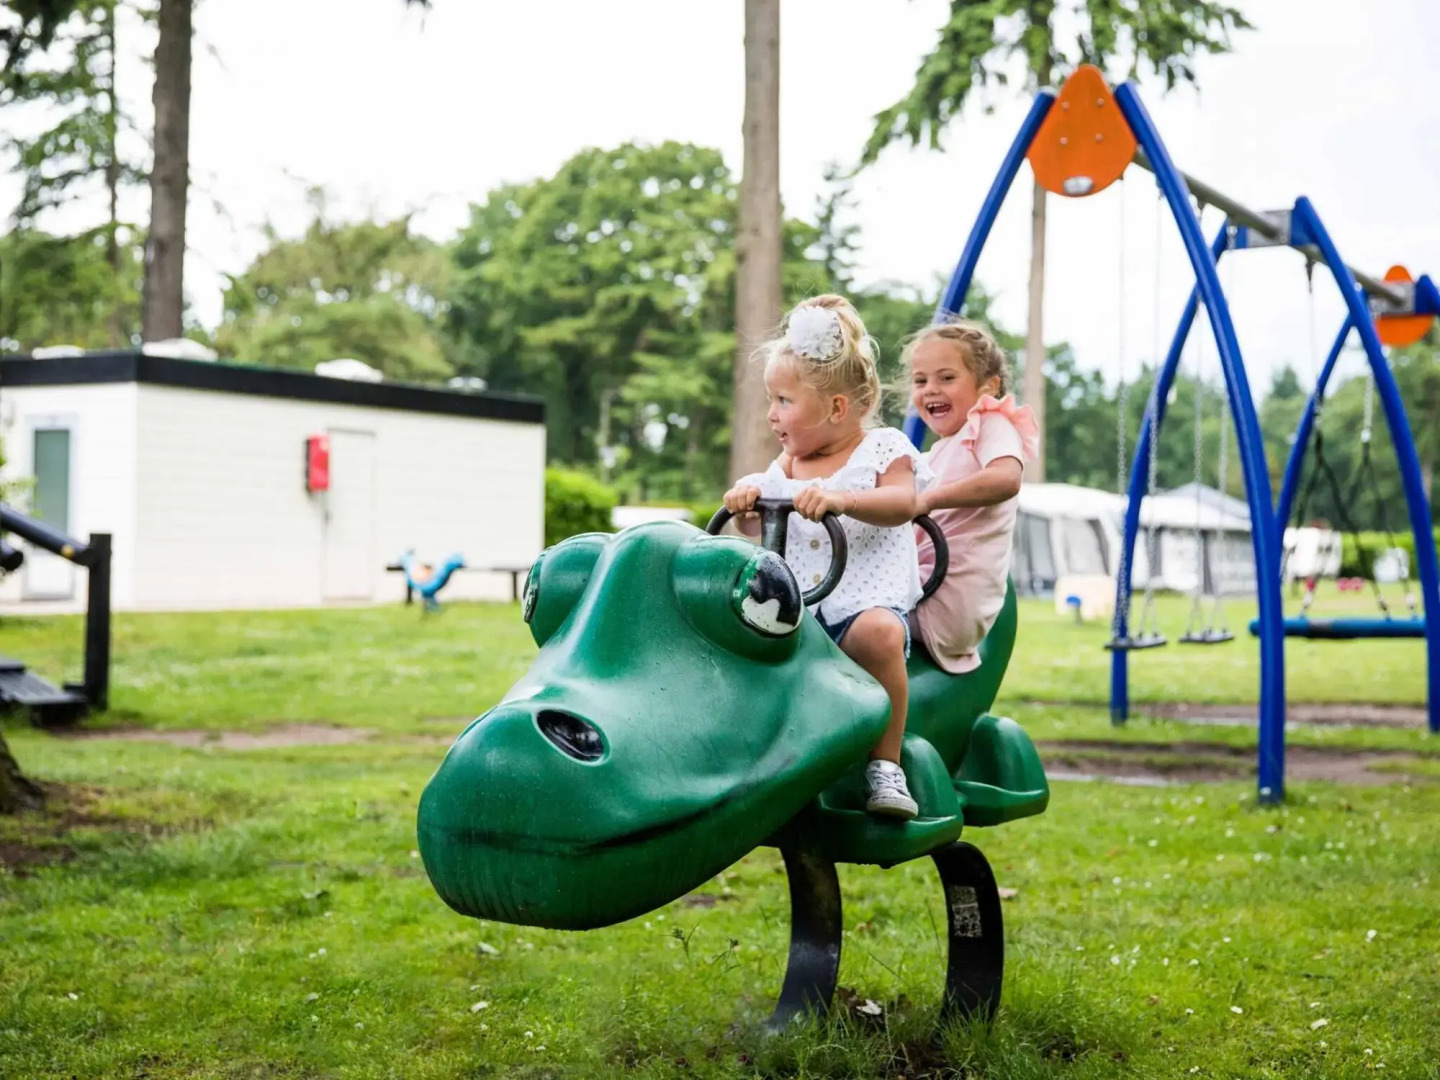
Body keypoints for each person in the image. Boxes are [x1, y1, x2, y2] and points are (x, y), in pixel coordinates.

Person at [722, 295, 923, 819]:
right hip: (800, 615)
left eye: (784, 401)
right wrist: (746, 503)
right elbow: (756, 528)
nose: (772, 413)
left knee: (879, 634)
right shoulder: (788, 463)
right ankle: (743, 755)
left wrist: (844, 499)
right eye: (771, 399)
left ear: (836, 408)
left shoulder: (884, 449)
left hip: (860, 608)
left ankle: (886, 765)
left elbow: (904, 503)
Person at [907, 318, 1038, 674]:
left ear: (988, 387)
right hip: (922, 588)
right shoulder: (934, 455)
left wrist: (929, 500)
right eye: (920, 381)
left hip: (945, 600)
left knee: (839, 615)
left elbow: (1005, 478)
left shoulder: (992, 424)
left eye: (946, 378)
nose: (930, 389)